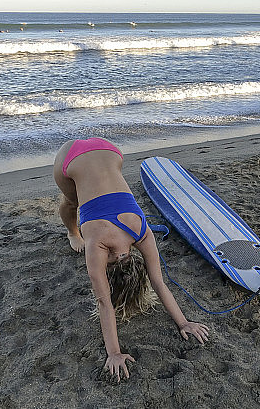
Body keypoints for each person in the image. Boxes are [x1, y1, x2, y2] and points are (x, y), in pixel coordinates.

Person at [53, 137, 209, 382]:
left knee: (84, 191)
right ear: (108, 268)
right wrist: (113, 353)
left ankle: (75, 223)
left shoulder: (142, 232)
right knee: (72, 203)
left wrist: (184, 323)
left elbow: (158, 283)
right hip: (70, 156)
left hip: (110, 150)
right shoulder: (97, 246)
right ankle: (72, 232)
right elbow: (105, 302)